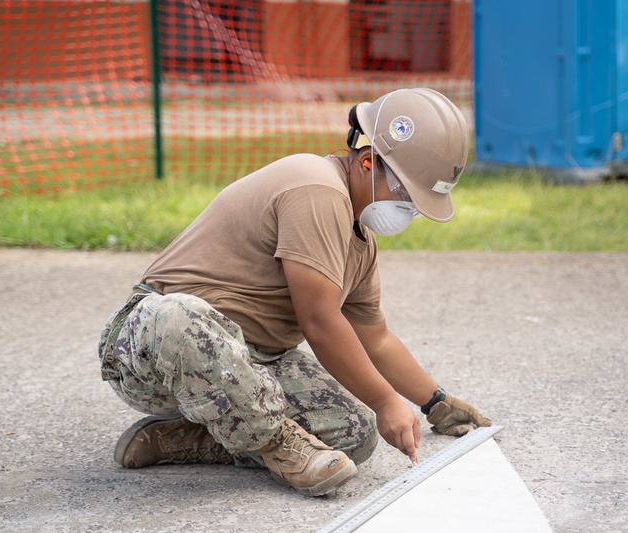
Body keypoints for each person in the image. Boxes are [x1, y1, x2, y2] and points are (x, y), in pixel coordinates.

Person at [98, 88, 491, 497]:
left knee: (353, 432)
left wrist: (436, 403)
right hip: (152, 346)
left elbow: (375, 338)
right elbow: (320, 322)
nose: (409, 210)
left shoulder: (360, 242)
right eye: (407, 196)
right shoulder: (316, 188)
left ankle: (188, 437)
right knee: (176, 315)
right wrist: (386, 401)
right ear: (369, 161)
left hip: (247, 362)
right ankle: (275, 441)